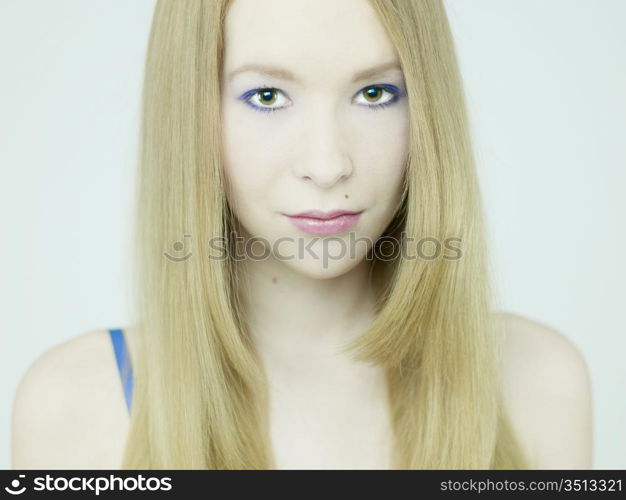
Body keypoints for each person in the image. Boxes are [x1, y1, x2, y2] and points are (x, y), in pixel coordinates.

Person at [11, 0, 592, 470]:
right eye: (266, 96)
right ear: (191, 112)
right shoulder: (74, 406)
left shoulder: (537, 384)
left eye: (375, 93)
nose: (327, 163)